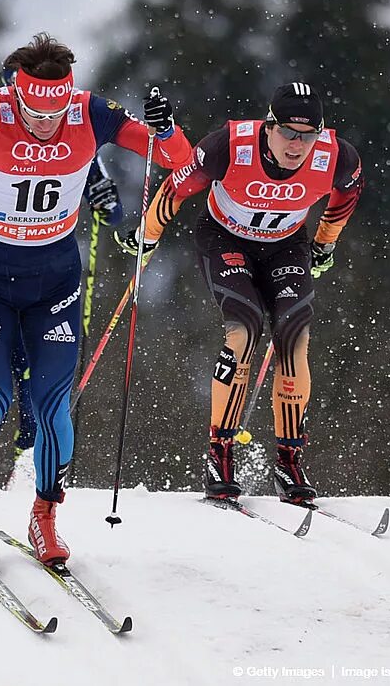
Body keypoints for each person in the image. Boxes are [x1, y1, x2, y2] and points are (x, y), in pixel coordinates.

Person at [0, 33, 191, 565]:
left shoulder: (91, 112)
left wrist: (165, 128)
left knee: (54, 407)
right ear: (15, 92)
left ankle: (45, 515)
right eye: (34, 110)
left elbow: (179, 161)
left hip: (54, 280)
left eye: (55, 108)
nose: (45, 121)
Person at [117, 82, 363, 504]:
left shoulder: (337, 156)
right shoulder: (229, 146)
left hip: (285, 244)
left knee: (293, 333)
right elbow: (177, 188)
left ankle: (288, 461)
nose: (296, 145)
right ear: (269, 127)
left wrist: (325, 243)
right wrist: (147, 236)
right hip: (225, 240)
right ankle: (221, 452)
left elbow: (347, 194)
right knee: (244, 330)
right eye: (287, 132)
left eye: (307, 136)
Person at [0, 149, 124, 474]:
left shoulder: (77, 145)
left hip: (45, 283)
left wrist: (107, 202)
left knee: (38, 386)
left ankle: (27, 467)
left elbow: (113, 214)